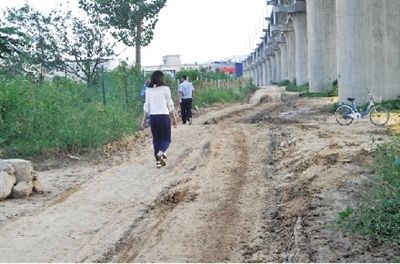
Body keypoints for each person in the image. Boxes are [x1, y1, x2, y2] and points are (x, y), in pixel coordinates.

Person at [141, 70, 178, 168]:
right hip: (163, 116)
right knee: (166, 139)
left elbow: (146, 106)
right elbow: (170, 105)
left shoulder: (148, 90)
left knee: (156, 139)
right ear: (161, 78)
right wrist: (174, 118)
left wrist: (144, 120)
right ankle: (161, 153)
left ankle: (158, 162)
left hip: (153, 117)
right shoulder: (165, 89)